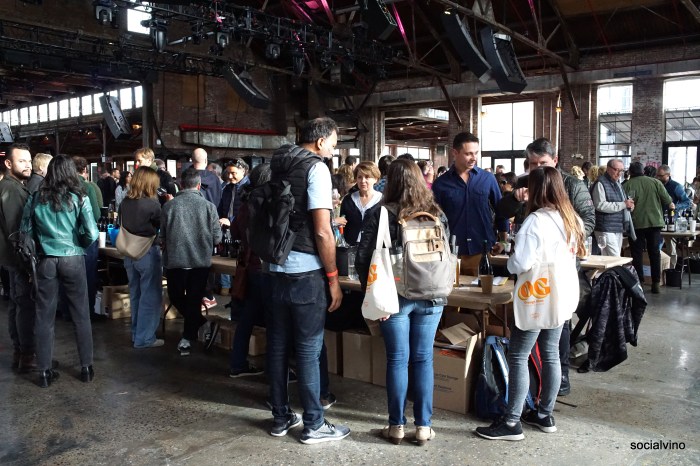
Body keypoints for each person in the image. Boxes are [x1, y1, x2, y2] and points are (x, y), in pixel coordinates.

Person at [476, 166, 584, 441]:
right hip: (561, 295)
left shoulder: (535, 221)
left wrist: (512, 259)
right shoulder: (571, 218)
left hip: (537, 296)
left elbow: (521, 263)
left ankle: (512, 421)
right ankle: (545, 414)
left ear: (536, 190)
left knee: (518, 355)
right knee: (551, 354)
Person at [266, 117, 349, 444]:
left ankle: (280, 417)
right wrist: (333, 278)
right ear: (320, 141)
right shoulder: (317, 168)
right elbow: (322, 231)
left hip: (275, 268)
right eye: (333, 143)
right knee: (308, 348)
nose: (333, 149)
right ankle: (314, 423)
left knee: (277, 346)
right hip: (305, 271)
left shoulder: (276, 164)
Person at [356, 158, 449, 446]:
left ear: (390, 182)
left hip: (394, 296)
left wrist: (374, 297)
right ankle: (423, 427)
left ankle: (396, 425)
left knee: (397, 359)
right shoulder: (436, 213)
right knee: (423, 358)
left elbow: (363, 258)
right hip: (432, 295)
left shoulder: (381, 214)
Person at [496, 137, 595, 398]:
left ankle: (554, 384)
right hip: (536, 271)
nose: (536, 168)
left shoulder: (571, 185)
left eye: (542, 163)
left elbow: (588, 220)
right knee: (542, 347)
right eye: (532, 164)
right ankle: (541, 399)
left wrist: (564, 241)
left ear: (555, 160)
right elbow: (502, 210)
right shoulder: (524, 183)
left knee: (545, 341)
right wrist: (514, 199)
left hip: (554, 272)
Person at [21, 155, 98, 388]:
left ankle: (44, 372)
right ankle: (86, 368)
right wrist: (78, 245)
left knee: (44, 316)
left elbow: (25, 231)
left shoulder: (36, 198)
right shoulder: (80, 197)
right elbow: (92, 233)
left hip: (46, 260)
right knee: (81, 314)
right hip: (73, 258)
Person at [160, 167, 222, 356]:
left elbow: (162, 236)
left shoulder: (169, 207)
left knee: (176, 297)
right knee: (194, 300)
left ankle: (188, 337)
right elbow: (217, 238)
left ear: (180, 185)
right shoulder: (209, 207)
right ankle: (198, 327)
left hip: (175, 261)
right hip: (200, 262)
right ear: (199, 185)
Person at [432, 132, 508, 275]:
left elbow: (501, 210)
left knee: (482, 289)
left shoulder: (488, 179)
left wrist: (504, 241)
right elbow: (435, 219)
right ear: (455, 153)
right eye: (468, 154)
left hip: (482, 250)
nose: (474, 158)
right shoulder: (440, 184)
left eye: (476, 153)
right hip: (450, 252)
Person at [228, 163, 270, 377]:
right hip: (266, 268)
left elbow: (235, 231)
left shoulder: (245, 203)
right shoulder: (267, 204)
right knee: (275, 321)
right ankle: (276, 371)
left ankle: (238, 363)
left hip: (250, 267)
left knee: (247, 318)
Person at [0, 144, 37, 372]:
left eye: (29, 161)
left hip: (10, 258)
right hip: (17, 259)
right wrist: (27, 264)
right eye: (22, 161)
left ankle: (20, 352)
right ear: (8, 163)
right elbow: (17, 233)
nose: (28, 165)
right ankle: (28, 355)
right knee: (24, 305)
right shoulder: (11, 190)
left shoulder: (13, 186)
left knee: (16, 304)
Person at [120, 167, 164, 348]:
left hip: (128, 252)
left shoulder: (125, 202)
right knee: (150, 296)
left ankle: (136, 334)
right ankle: (145, 338)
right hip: (147, 252)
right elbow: (162, 226)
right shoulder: (152, 205)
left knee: (136, 294)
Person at [623, 162, 674, 294]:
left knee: (637, 254)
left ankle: (639, 282)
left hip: (636, 224)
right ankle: (656, 283)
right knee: (654, 253)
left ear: (630, 172)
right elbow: (668, 201)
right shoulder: (655, 182)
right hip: (654, 222)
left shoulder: (626, 185)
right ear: (643, 171)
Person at [73, 156, 103, 318]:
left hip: (70, 239)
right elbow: (96, 214)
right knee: (89, 275)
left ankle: (68, 311)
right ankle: (88, 311)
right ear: (85, 169)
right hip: (87, 237)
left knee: (70, 278)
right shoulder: (88, 187)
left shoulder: (62, 186)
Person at [217, 158, 250, 295]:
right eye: (228, 173)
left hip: (242, 231)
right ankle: (226, 286)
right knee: (226, 256)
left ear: (243, 171)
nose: (230, 176)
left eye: (233, 173)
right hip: (226, 229)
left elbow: (248, 213)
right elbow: (221, 207)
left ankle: (239, 289)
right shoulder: (226, 187)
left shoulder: (249, 188)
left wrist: (231, 220)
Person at [591, 159, 635, 257]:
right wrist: (623, 204)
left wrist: (629, 206)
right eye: (616, 170)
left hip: (617, 226)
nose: (619, 173)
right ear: (608, 169)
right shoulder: (600, 183)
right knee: (615, 258)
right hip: (604, 227)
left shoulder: (618, 184)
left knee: (609, 259)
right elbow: (600, 205)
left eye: (621, 170)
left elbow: (623, 203)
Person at [656, 164, 693, 268]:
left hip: (670, 220)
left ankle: (671, 270)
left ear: (668, 175)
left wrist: (676, 206)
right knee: (656, 247)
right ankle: (658, 270)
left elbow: (687, 202)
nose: (658, 177)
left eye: (661, 175)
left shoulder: (676, 186)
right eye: (657, 175)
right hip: (656, 219)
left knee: (670, 247)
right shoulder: (656, 184)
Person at [337, 161, 382, 244]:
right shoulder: (348, 199)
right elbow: (342, 224)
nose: (363, 181)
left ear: (376, 179)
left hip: (374, 247)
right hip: (350, 246)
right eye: (359, 177)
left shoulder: (382, 200)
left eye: (367, 177)